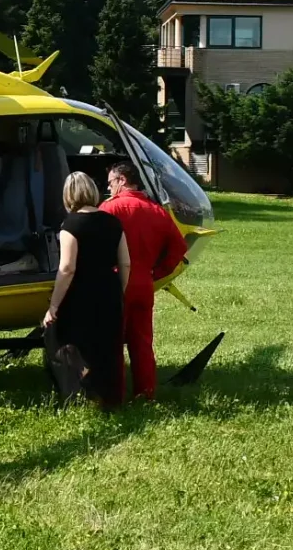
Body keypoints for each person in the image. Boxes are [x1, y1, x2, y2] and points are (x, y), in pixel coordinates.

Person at [41, 172, 131, 408]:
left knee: (73, 341)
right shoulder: (113, 222)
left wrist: (53, 305)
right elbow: (125, 263)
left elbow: (67, 268)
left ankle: (80, 390)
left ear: (68, 195)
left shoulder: (70, 225)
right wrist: (120, 290)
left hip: (80, 291)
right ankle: (108, 398)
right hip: (108, 287)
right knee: (107, 344)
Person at [101, 161, 188, 403]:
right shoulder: (157, 211)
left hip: (116, 281)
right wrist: (157, 273)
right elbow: (179, 247)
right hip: (144, 281)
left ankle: (114, 396)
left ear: (122, 180)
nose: (108, 188)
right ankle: (146, 394)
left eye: (110, 183)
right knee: (142, 342)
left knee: (112, 342)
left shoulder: (109, 208)